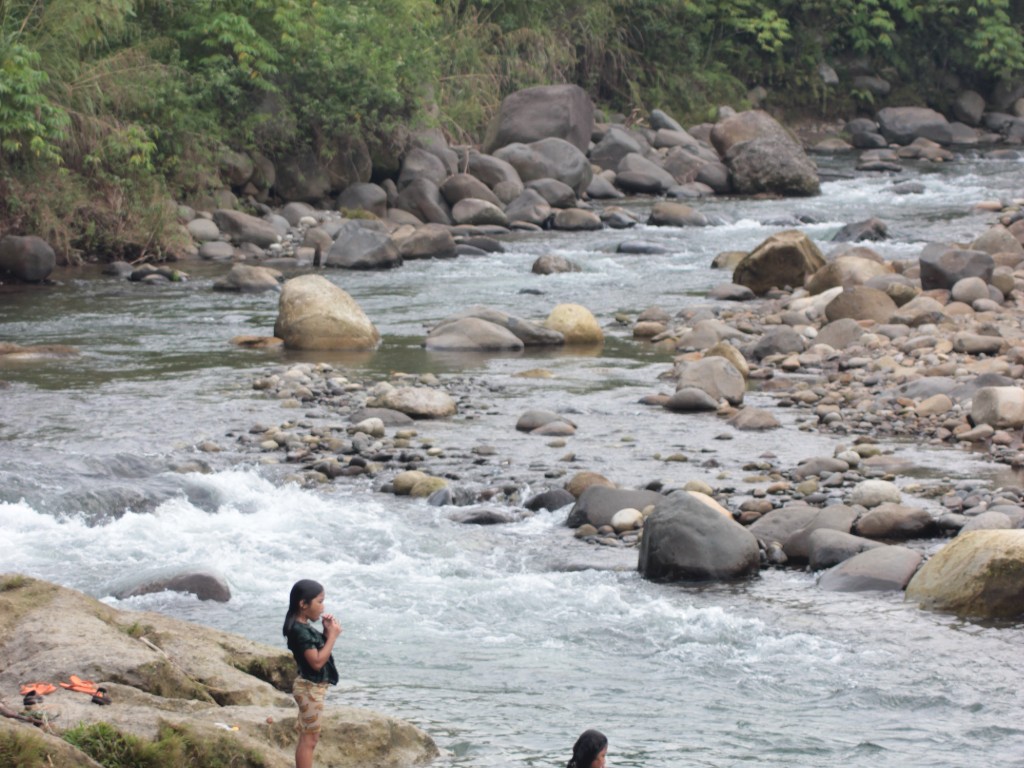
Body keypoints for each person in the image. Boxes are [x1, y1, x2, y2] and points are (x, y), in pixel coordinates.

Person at [283, 579, 342, 768]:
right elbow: (316, 662)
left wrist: (325, 634)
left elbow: (316, 654)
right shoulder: (299, 631)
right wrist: (332, 637)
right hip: (309, 689)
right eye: (319, 601)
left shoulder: (302, 627)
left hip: (310, 687)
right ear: (303, 604)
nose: (323, 607)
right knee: (310, 740)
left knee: (307, 737)